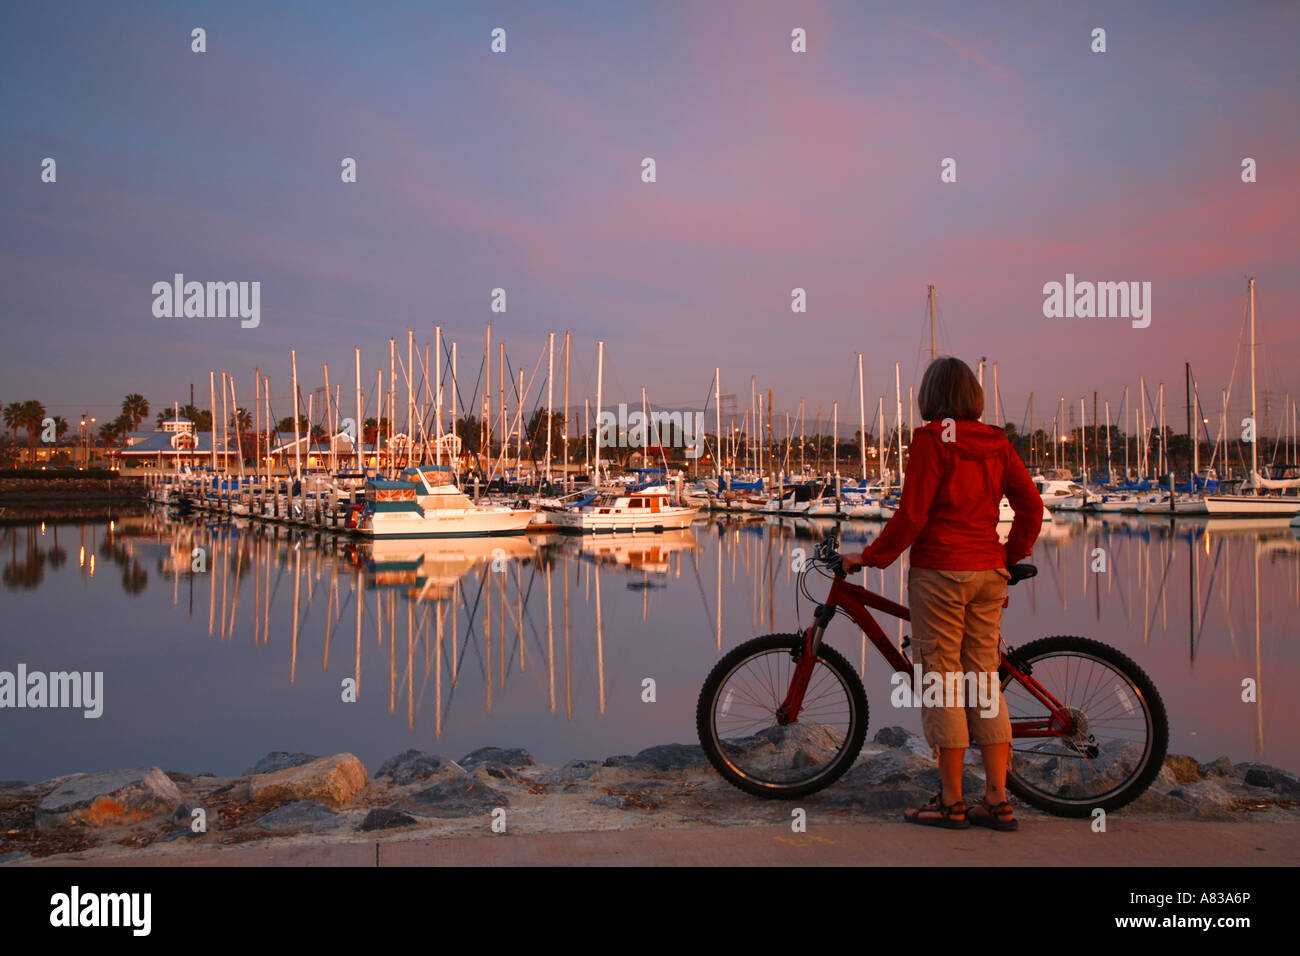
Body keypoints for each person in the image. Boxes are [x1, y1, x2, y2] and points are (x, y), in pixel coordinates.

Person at [842, 357, 1042, 830]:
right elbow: (1031, 506)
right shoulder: (996, 442)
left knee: (942, 681)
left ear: (931, 396)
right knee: (984, 680)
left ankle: (951, 801)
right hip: (987, 572)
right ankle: (996, 799)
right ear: (972, 395)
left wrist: (868, 557)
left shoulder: (933, 441)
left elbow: (911, 517)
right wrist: (1008, 559)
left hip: (941, 572)